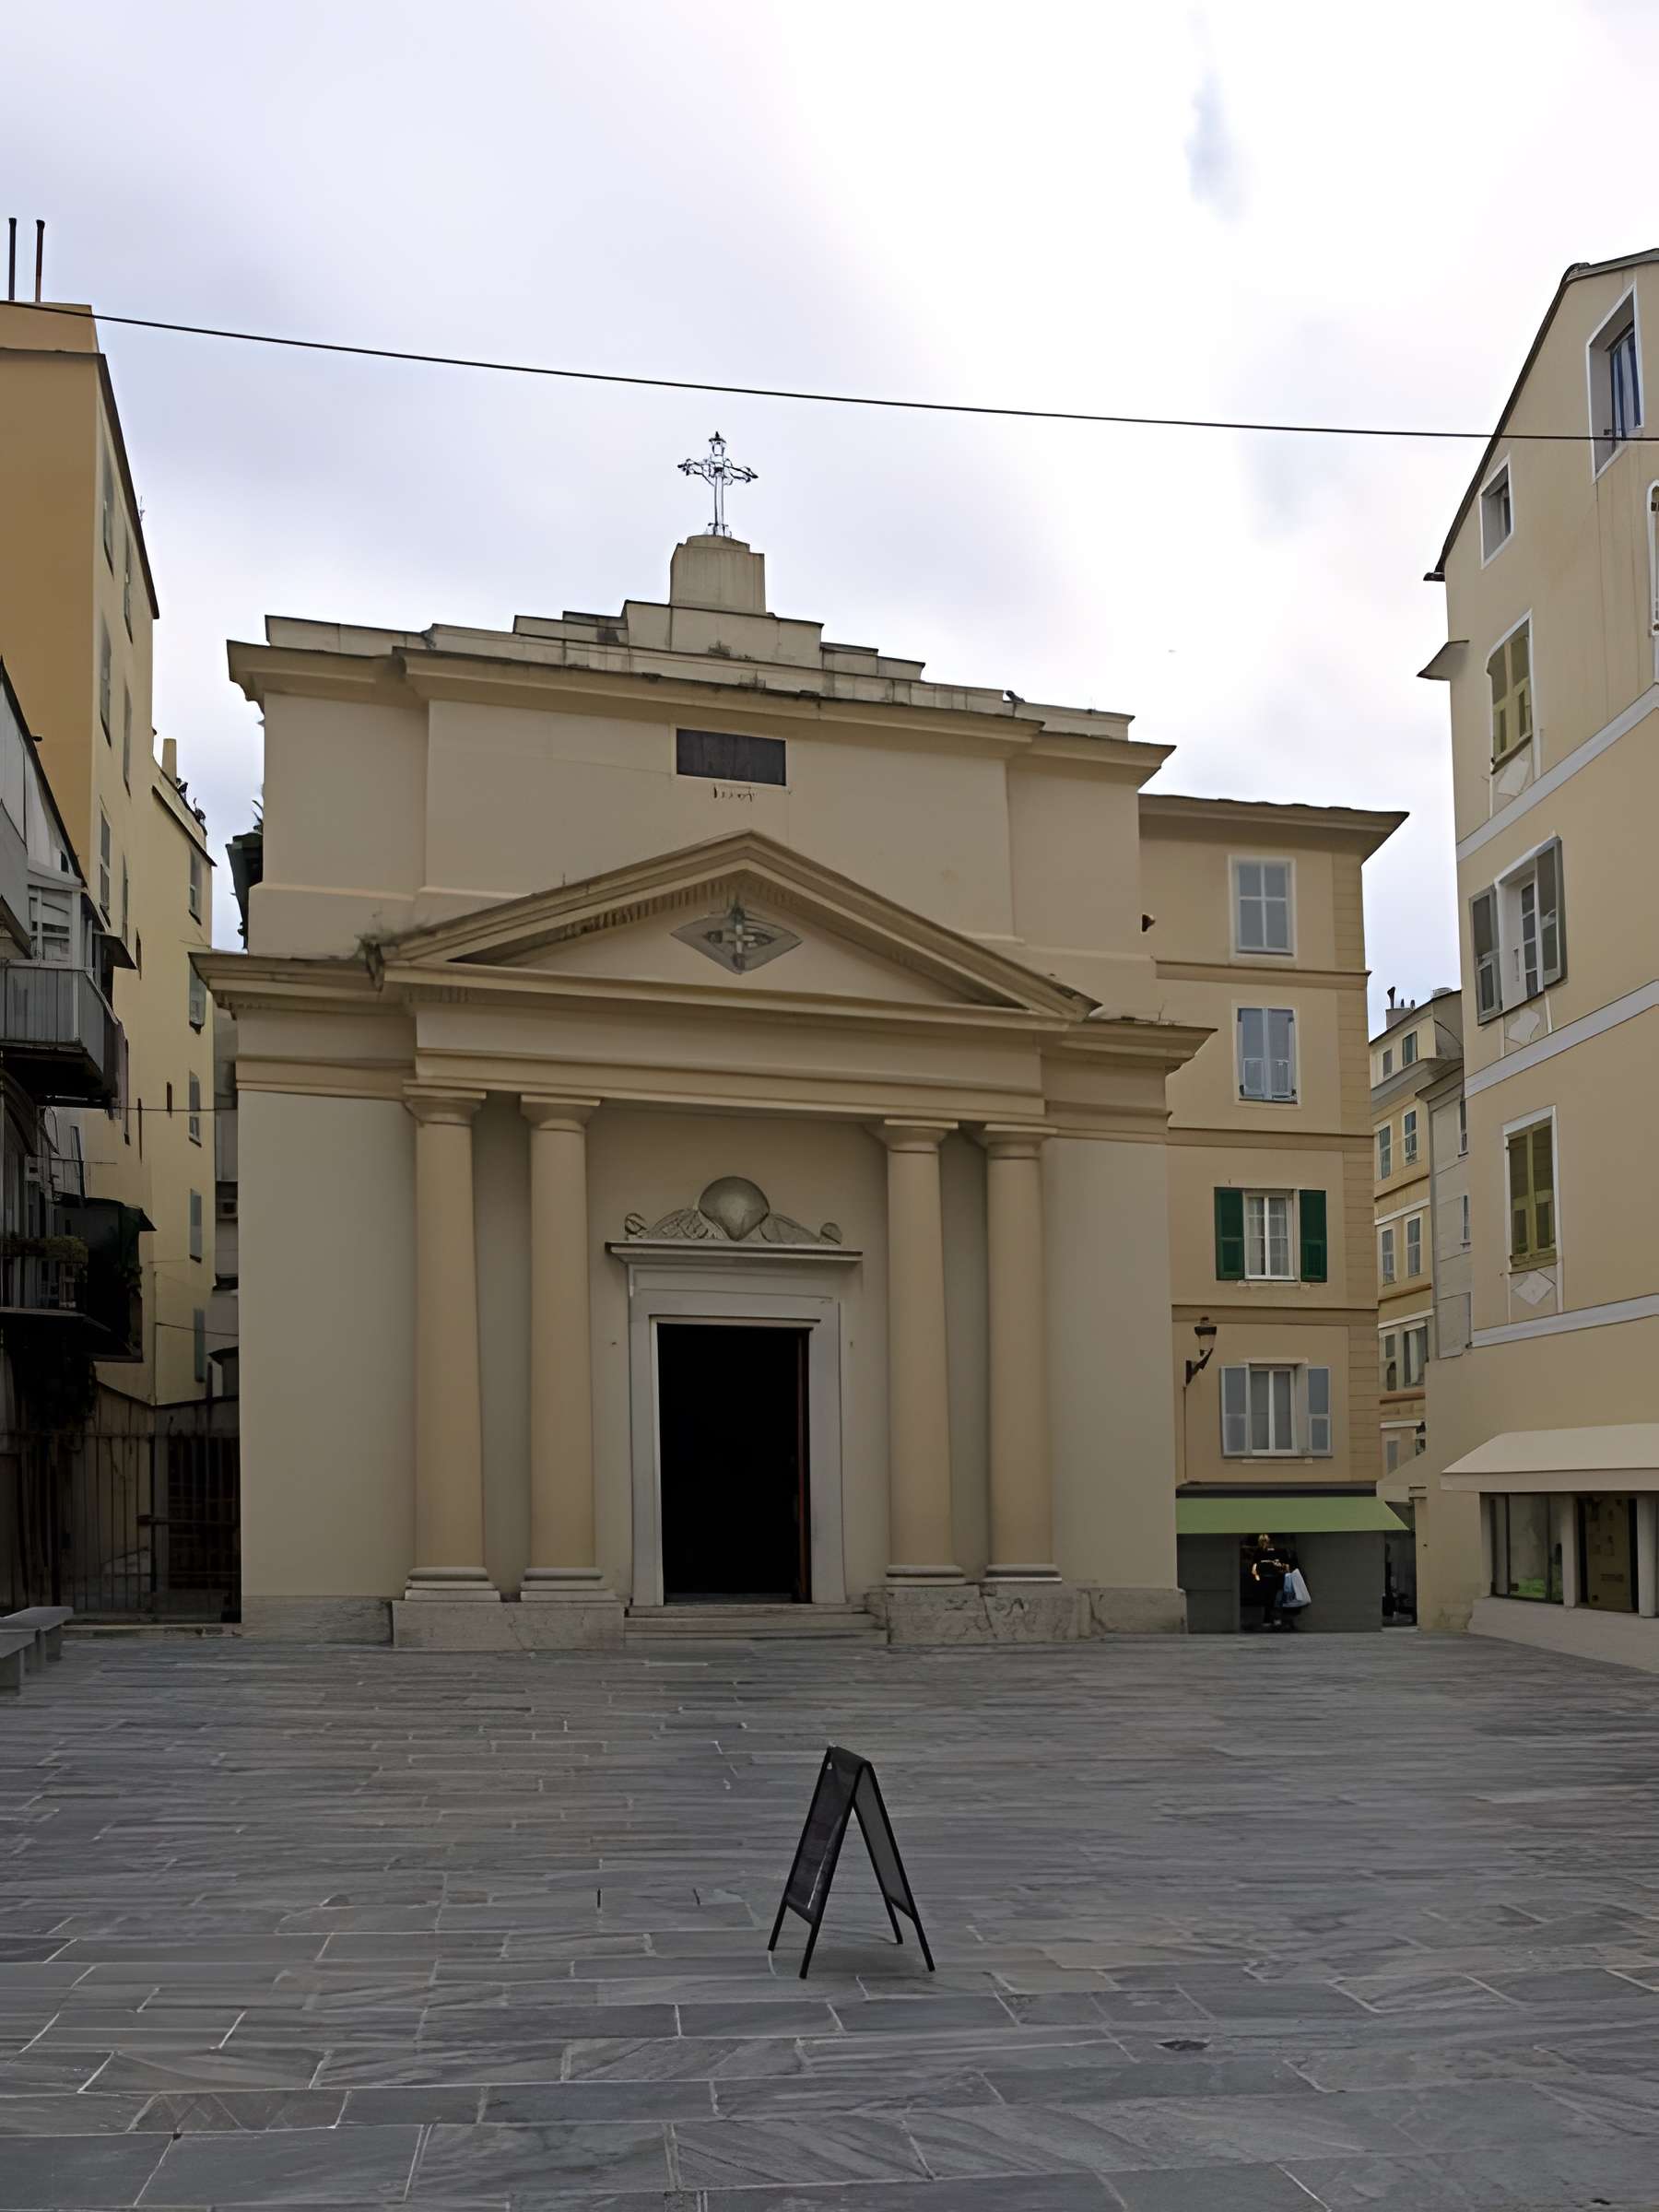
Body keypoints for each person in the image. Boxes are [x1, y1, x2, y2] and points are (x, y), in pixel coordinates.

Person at [1247, 1538, 1287, 1630]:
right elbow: (1254, 1565)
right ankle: (1269, 1620)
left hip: (1276, 1579)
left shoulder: (1279, 1552)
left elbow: (1284, 1565)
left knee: (1275, 1600)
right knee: (1269, 1600)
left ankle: (1273, 1620)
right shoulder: (1261, 1552)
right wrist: (1257, 1576)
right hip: (1267, 1579)